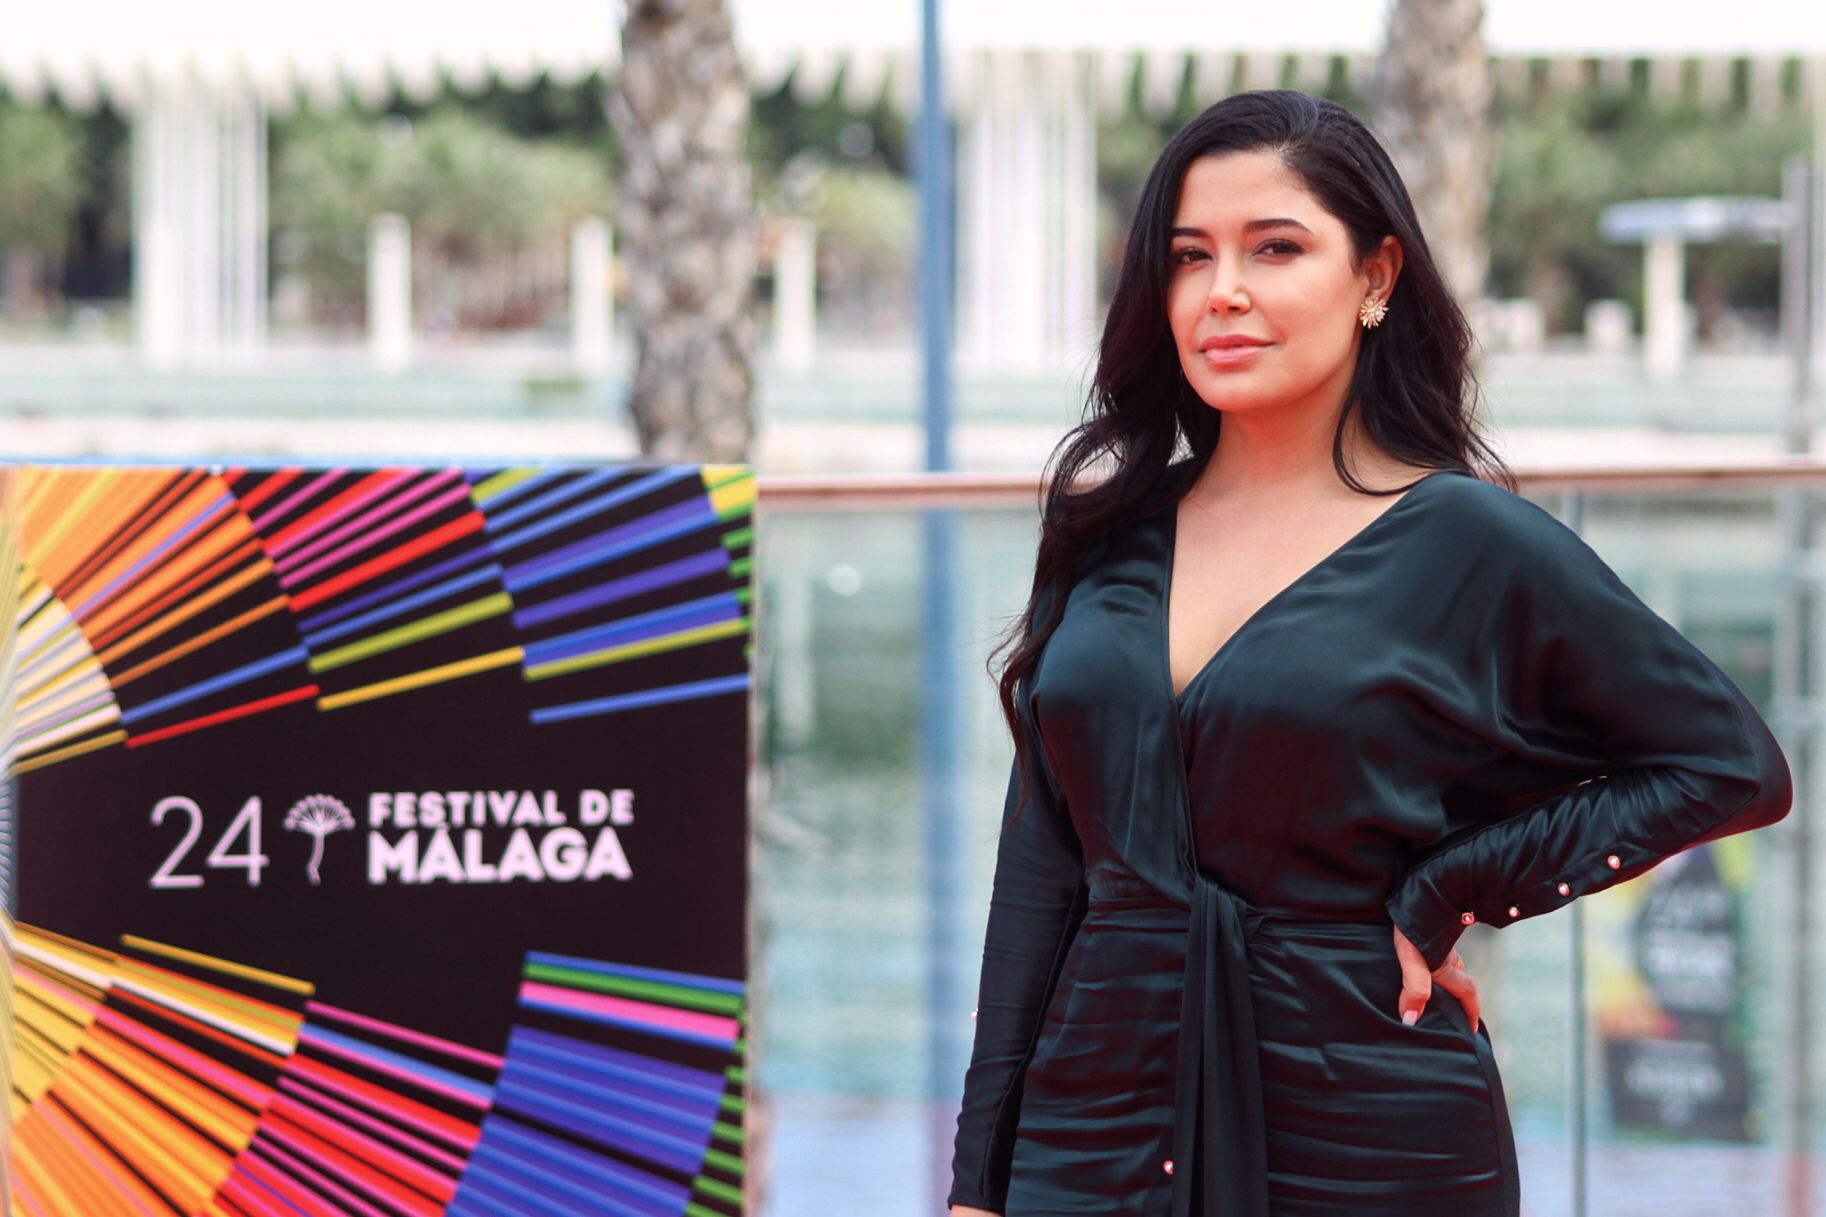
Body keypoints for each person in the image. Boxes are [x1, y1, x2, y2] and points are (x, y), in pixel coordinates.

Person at [945, 89, 1793, 1217]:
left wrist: (1453, 887)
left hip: (1364, 1122)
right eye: (1189, 256)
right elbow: (1040, 871)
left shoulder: (1468, 540)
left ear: (1376, 278)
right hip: (1087, 1120)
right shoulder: (1104, 534)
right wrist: (976, 1180)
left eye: (1275, 247)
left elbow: (1726, 764)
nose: (1222, 291)